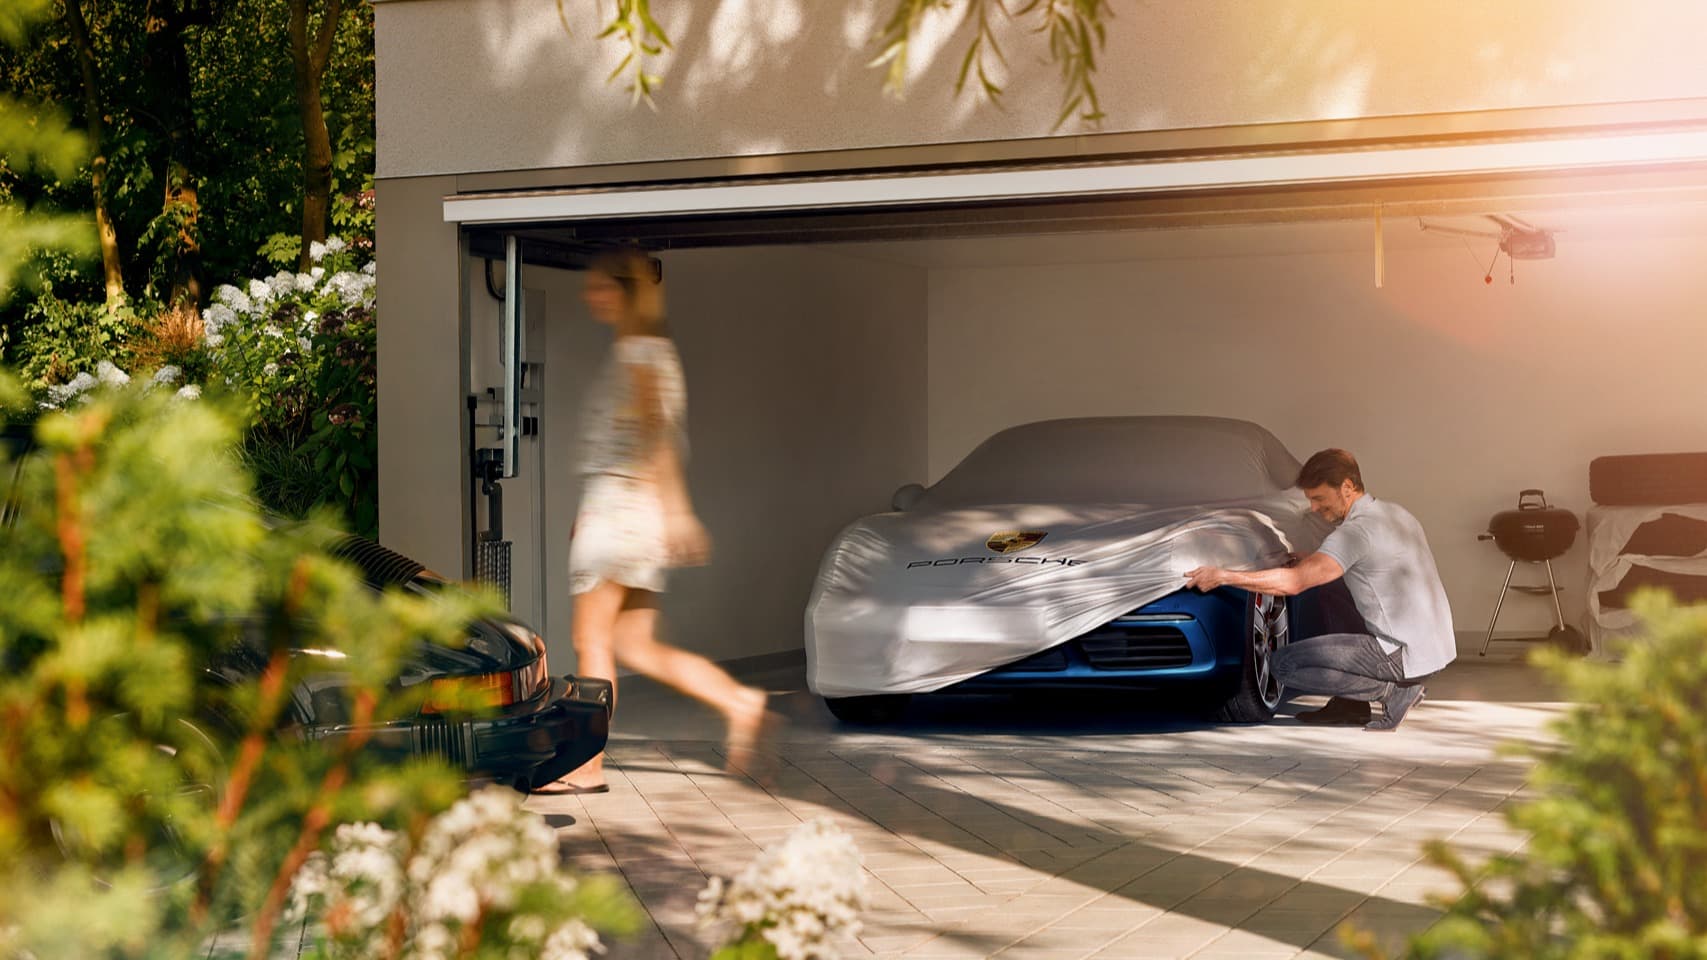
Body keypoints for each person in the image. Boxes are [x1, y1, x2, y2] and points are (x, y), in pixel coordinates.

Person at [543, 247, 772, 794]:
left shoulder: (639, 354)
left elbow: (657, 435)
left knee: (590, 640)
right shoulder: (647, 351)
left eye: (600, 286)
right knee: (634, 645)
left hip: (619, 512)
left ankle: (585, 766)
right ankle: (739, 701)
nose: (591, 295)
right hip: (627, 512)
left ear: (624, 292)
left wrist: (678, 511)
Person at [1183, 448, 1455, 731]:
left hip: (1400, 655)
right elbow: (1363, 560)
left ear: (1347, 487)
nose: (1313, 508)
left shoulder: (1354, 532)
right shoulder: (1395, 513)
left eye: (1319, 498)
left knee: (1283, 664)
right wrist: (1312, 559)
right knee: (1331, 591)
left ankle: (1392, 693)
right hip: (1435, 649)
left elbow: (1294, 583)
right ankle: (1352, 704)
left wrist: (1223, 576)